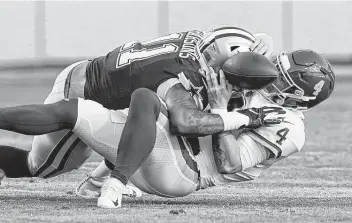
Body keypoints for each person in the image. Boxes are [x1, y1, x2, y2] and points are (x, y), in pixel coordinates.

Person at [0, 50, 335, 208]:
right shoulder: (254, 92)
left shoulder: (289, 127)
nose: (270, 77)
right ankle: (103, 183)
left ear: (297, 95)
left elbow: (229, 163)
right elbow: (150, 128)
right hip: (160, 147)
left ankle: (114, 186)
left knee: (145, 99)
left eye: (281, 78)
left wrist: (221, 109)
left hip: (182, 173)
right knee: (72, 112)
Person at [0, 26, 273, 180]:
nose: (233, 83)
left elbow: (239, 40)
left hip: (87, 73)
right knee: (42, 166)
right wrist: (230, 113)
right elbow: (184, 122)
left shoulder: (201, 38)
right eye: (232, 72)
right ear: (217, 55)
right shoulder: (180, 78)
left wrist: (260, 40)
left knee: (140, 123)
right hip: (85, 93)